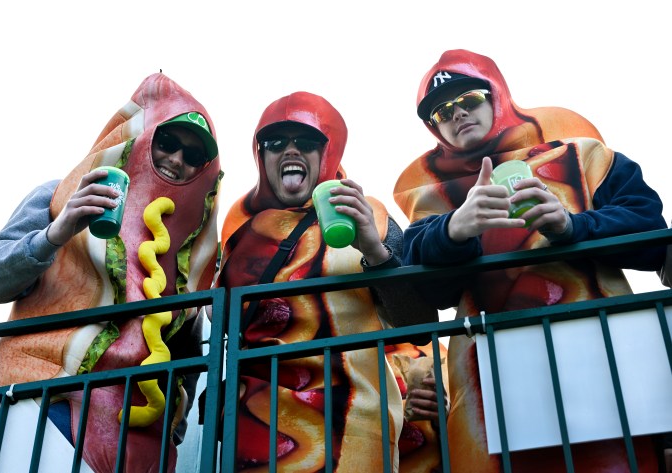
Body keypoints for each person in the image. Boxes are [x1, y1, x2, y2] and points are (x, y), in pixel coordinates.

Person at [393, 49, 666, 472]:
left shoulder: (583, 155)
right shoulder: (427, 199)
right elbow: (426, 292)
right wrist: (452, 231)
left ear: (496, 95)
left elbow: (649, 228)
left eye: (470, 99)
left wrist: (572, 226)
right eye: (443, 112)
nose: (458, 114)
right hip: (491, 380)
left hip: (599, 360)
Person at [0, 73, 223, 473]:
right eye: (168, 142)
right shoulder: (62, 196)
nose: (177, 160)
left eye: (193, 156)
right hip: (47, 410)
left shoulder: (196, 249)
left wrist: (174, 428)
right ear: (141, 138)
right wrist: (56, 232)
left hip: (144, 440)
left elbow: (188, 350)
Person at [211, 91, 441, 472]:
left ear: (329, 152)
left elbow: (418, 324)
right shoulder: (238, 235)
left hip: (350, 425)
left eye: (306, 142)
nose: (290, 151)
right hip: (256, 427)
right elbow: (217, 329)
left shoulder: (370, 216)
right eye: (275, 142)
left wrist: (375, 249)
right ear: (260, 154)